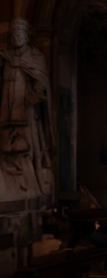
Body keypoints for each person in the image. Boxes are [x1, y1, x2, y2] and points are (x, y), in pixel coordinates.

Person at [0, 18, 54, 199]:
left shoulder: (34, 56)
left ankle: (30, 178)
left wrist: (35, 96)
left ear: (26, 36)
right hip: (7, 108)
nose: (16, 37)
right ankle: (10, 178)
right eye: (13, 34)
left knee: (29, 142)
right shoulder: (5, 57)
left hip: (26, 109)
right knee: (7, 142)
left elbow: (41, 80)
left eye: (19, 33)